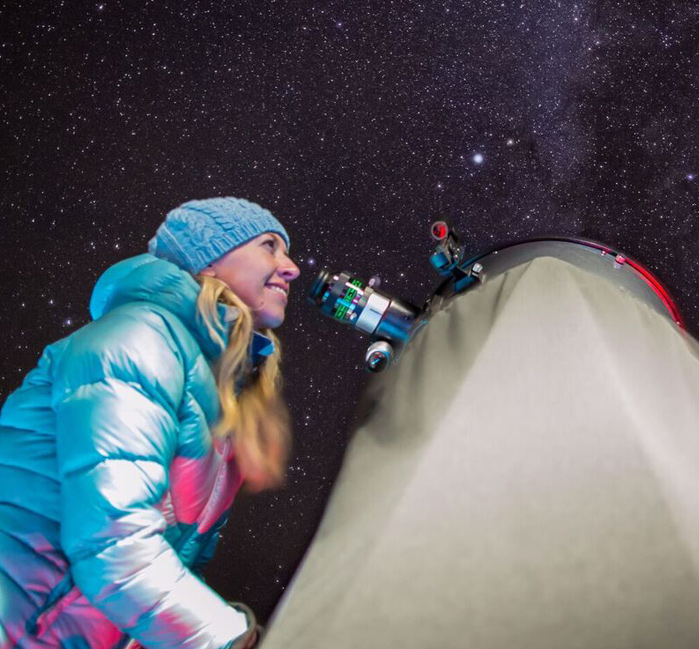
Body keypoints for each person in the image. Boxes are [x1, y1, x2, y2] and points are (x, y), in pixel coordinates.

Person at [0, 197, 301, 649]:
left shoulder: (223, 394)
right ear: (210, 261)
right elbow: (114, 546)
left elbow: (179, 566)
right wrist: (231, 640)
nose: (292, 268)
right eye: (270, 246)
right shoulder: (139, 339)